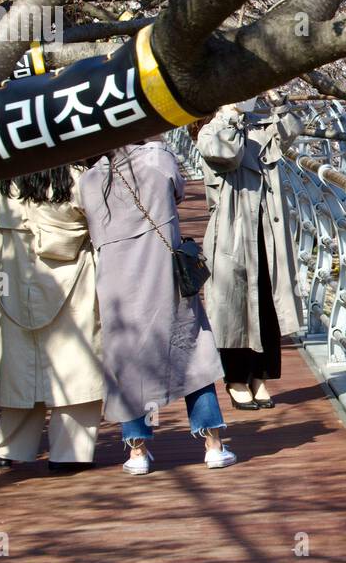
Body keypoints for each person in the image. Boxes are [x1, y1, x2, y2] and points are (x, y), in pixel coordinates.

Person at [78, 140, 235, 475]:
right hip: (163, 271)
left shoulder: (89, 180)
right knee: (192, 351)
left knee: (127, 361)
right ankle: (213, 445)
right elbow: (176, 190)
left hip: (117, 282)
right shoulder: (157, 158)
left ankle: (137, 450)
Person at [0, 166, 104, 473]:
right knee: (76, 365)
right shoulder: (76, 177)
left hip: (16, 279)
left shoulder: (9, 177)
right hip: (72, 276)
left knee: (21, 366)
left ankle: (9, 446)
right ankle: (71, 453)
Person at [197, 99, 304, 411]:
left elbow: (291, 130)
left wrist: (278, 102)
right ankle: (236, 378)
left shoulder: (259, 127)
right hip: (233, 232)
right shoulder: (212, 132)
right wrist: (228, 115)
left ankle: (261, 376)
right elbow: (226, 153)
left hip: (267, 229)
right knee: (234, 307)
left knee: (267, 304)